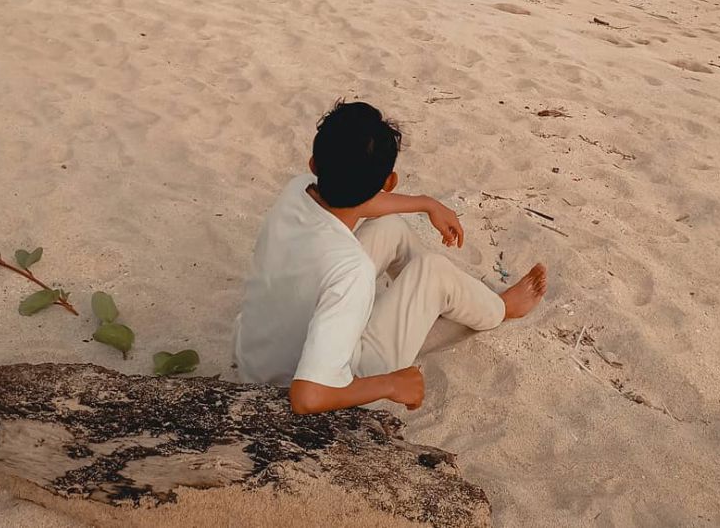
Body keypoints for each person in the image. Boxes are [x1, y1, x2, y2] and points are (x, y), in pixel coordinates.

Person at [235, 100, 548, 415]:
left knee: (389, 227)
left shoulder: (298, 189)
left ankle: (435, 304)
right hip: (293, 386)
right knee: (435, 271)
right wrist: (393, 384)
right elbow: (307, 397)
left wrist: (426, 203)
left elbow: (356, 202)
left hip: (258, 360)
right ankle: (500, 309)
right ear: (389, 182)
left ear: (314, 164)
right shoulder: (350, 269)